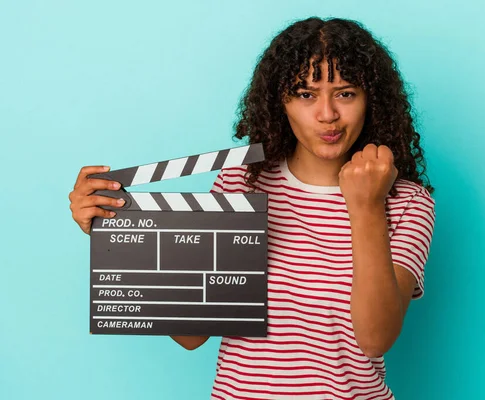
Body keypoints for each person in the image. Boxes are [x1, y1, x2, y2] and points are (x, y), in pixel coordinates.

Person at [69, 16, 436, 400]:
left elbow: (376, 339)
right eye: (306, 94)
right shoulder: (241, 183)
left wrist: (365, 206)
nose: (327, 114)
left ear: (370, 100)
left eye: (345, 93)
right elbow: (192, 334)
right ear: (281, 101)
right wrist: (119, 236)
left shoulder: (407, 203)